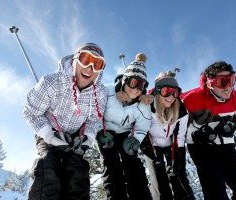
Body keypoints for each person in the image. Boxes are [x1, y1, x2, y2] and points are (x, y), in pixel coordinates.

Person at [23, 43, 108, 200]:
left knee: (77, 169)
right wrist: (49, 135)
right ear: (75, 60)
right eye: (85, 59)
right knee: (48, 164)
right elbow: (31, 112)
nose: (90, 68)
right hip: (49, 130)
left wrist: (86, 139)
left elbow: (94, 119)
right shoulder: (52, 82)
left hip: (75, 136)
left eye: (97, 64)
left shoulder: (100, 93)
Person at [181, 61, 236, 200]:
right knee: (215, 190)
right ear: (210, 83)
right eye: (222, 82)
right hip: (201, 148)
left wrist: (230, 128)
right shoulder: (191, 98)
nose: (229, 87)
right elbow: (167, 100)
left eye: (232, 80)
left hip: (227, 147)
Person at [96, 53, 153, 200]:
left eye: (141, 85)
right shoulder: (107, 92)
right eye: (133, 82)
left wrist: (136, 139)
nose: (136, 89)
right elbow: (94, 114)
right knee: (111, 164)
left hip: (126, 134)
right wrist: (99, 132)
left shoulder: (143, 105)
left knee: (133, 163)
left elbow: (142, 126)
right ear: (125, 80)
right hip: (106, 132)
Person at [141, 71, 195, 200]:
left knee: (178, 175)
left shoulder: (181, 110)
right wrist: (147, 149)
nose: (170, 97)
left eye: (174, 92)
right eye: (166, 91)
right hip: (152, 146)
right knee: (159, 179)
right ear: (158, 91)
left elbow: (180, 135)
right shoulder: (148, 106)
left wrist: (179, 155)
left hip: (171, 145)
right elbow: (141, 129)